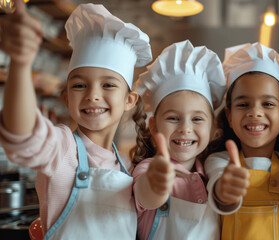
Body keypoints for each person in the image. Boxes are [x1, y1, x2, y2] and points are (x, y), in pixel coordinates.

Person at [0, 2, 152, 239]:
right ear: (66, 99)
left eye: (108, 84)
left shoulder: (127, 166)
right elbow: (24, 135)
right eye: (79, 85)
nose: (92, 94)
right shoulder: (62, 148)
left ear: (129, 100)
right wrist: (20, 64)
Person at [204, 42, 279, 240]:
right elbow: (220, 189)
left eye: (267, 104)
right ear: (229, 116)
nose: (255, 112)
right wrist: (225, 190)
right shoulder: (219, 162)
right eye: (243, 104)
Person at [131, 40, 226, 240]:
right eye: (173, 118)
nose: (185, 128)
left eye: (197, 119)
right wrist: (156, 184)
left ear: (213, 127)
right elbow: (146, 195)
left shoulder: (211, 175)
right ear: (154, 126)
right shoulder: (149, 169)